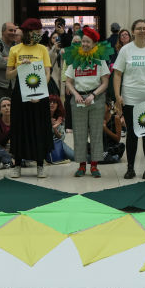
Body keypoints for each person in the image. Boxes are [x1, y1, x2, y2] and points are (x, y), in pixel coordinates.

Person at [113, 18, 145, 180]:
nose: (142, 31)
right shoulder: (126, 50)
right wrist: (117, 95)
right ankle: (130, 168)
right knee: (132, 135)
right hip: (130, 98)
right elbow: (117, 74)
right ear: (133, 31)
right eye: (139, 28)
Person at [5, 17, 53, 179]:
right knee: (19, 127)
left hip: (39, 94)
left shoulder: (43, 49)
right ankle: (17, 164)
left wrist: (39, 92)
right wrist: (20, 67)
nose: (38, 35)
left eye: (39, 32)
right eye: (35, 32)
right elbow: (8, 75)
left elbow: (47, 73)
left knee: (39, 127)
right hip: (20, 93)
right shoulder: (15, 50)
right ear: (26, 33)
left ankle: (40, 164)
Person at [63, 27, 112, 177]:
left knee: (96, 132)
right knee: (79, 133)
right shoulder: (74, 59)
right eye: (83, 41)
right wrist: (76, 94)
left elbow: (105, 82)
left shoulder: (99, 61)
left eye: (87, 42)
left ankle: (95, 166)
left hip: (96, 98)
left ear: (94, 44)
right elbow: (68, 82)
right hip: (78, 99)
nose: (84, 44)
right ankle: (82, 165)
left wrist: (93, 95)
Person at [0, 22, 20, 105]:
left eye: (14, 31)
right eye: (10, 30)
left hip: (13, 86)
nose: (13, 33)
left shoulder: (17, 46)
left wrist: (5, 58)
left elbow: (21, 62)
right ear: (3, 32)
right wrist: (14, 61)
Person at [47, 94, 74, 163]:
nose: (52, 104)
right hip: (44, 143)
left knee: (74, 156)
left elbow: (61, 137)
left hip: (57, 143)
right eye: (50, 102)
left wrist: (55, 128)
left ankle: (95, 158)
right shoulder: (41, 116)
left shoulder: (60, 117)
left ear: (58, 105)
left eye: (54, 102)